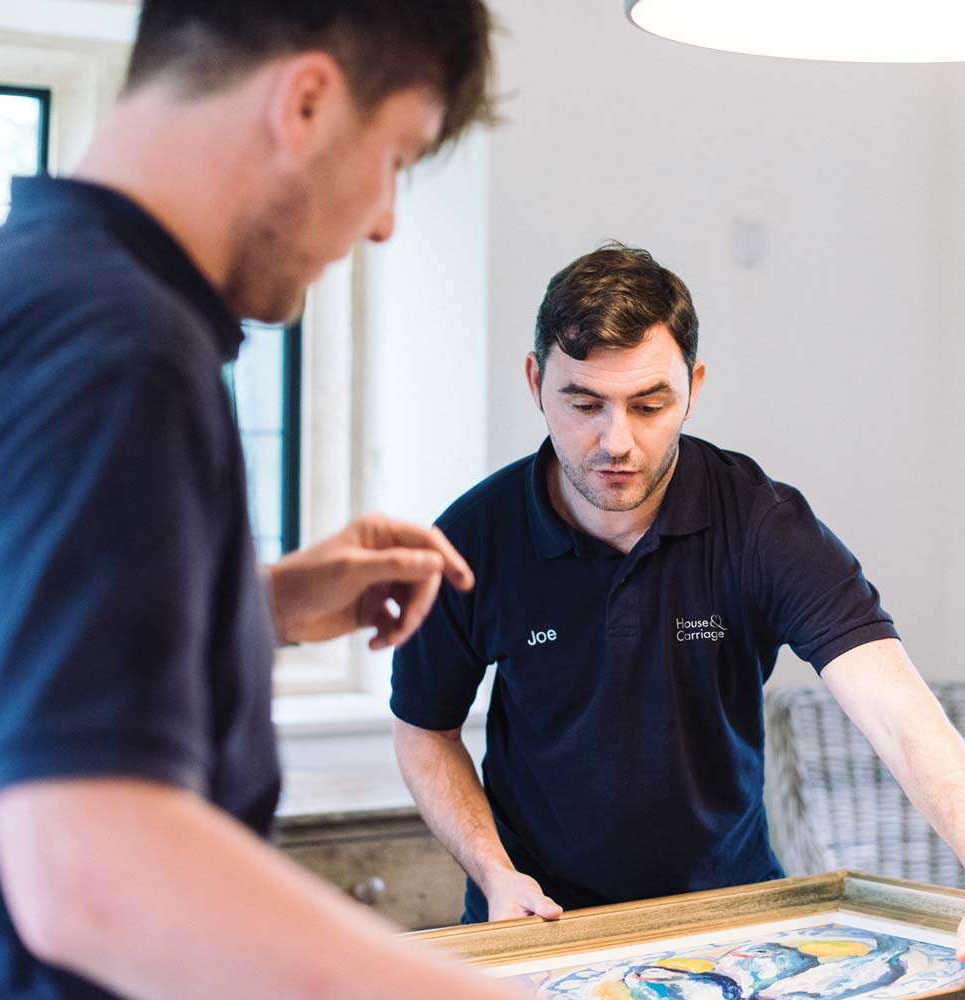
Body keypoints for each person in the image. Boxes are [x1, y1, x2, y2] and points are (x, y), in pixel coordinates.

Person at [0, 2, 526, 997]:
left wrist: (250, 603)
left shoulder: (10, 290)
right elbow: (93, 871)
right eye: (395, 157)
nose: (386, 221)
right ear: (305, 103)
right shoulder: (122, 348)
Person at [391, 244, 965, 960]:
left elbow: (893, 704)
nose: (616, 442)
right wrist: (495, 873)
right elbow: (425, 729)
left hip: (730, 919)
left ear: (693, 386)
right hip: (538, 921)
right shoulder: (472, 539)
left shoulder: (763, 526)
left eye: (649, 404)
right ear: (536, 381)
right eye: (584, 404)